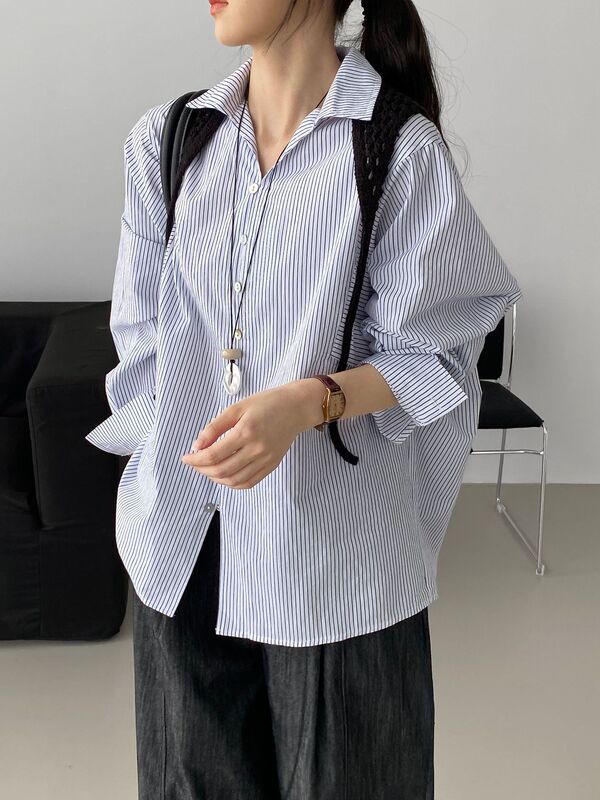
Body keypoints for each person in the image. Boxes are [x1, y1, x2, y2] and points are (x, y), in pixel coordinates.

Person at [85, 1, 523, 798]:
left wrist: (304, 404)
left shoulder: (395, 151)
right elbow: (140, 341)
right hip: (182, 552)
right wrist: (162, 463)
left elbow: (438, 357)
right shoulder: (167, 142)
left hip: (334, 562)